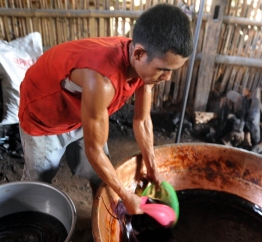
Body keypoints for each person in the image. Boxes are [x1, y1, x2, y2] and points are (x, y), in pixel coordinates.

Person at [18, 4, 193, 215]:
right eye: (164, 70)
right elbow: (95, 150)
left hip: (83, 108)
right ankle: (28, 223)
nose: (167, 78)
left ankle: (99, 215)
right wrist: (126, 196)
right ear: (138, 54)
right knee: (39, 179)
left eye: (172, 71)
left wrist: (153, 169)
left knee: (100, 175)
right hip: (45, 113)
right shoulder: (102, 81)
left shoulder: (144, 66)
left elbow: (142, 121)